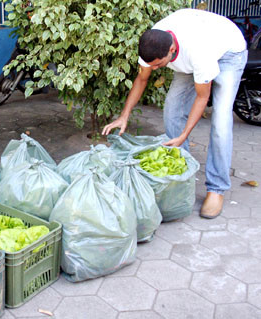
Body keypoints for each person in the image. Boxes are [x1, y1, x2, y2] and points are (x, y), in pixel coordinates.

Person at [102, 9, 247, 219]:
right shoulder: (153, 43)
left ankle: (216, 188)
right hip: (189, 55)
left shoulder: (199, 51)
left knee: (221, 122)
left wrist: (184, 134)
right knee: (171, 108)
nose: (156, 69)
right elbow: (142, 79)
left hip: (228, 52)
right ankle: (180, 175)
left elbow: (201, 98)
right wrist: (124, 115)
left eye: (159, 65)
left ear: (171, 50)